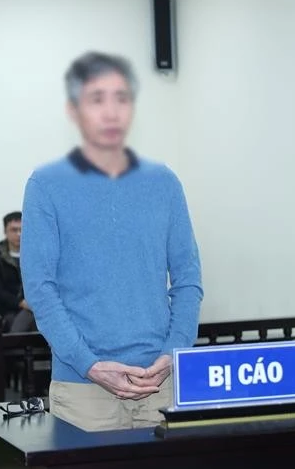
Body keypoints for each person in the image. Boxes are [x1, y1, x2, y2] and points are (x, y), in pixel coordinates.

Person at [20, 51, 203, 431]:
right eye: (96, 99)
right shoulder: (46, 185)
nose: (110, 111)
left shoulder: (163, 182)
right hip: (83, 389)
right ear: (75, 110)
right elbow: (40, 289)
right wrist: (88, 363)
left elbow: (187, 279)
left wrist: (174, 353)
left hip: (161, 382)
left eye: (121, 98)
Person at [0, 211, 36, 332]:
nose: (19, 234)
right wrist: (21, 303)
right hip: (4, 311)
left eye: (22, 229)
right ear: (5, 231)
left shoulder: (35, 257)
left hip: (32, 309)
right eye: (14, 230)